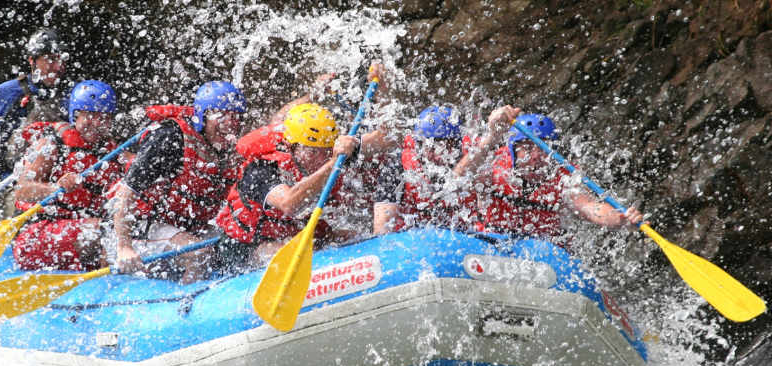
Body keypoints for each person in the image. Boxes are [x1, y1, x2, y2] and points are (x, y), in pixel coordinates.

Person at [213, 101, 389, 276]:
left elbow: (387, 140)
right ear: (292, 146)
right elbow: (289, 204)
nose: (321, 157)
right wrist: (333, 163)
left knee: (353, 236)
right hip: (245, 246)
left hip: (297, 236)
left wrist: (355, 143)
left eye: (327, 150)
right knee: (277, 252)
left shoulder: (335, 154)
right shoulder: (262, 168)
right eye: (313, 151)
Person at [111, 81, 247, 284]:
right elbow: (126, 194)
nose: (229, 124)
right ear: (202, 116)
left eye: (234, 117)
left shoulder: (230, 148)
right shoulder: (169, 139)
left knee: (238, 243)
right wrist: (124, 247)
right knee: (199, 253)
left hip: (188, 226)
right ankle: (187, 299)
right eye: (220, 115)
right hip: (142, 227)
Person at [468, 113, 644, 240]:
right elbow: (460, 177)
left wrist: (620, 218)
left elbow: (591, 208)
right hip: (489, 241)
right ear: (513, 150)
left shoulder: (562, 179)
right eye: (528, 148)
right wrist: (492, 135)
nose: (536, 156)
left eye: (542, 149)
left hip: (541, 251)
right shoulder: (494, 166)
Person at [11, 80, 122, 271]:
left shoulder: (111, 152)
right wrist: (56, 188)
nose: (96, 123)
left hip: (80, 234)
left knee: (121, 229)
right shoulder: (53, 145)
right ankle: (108, 281)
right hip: (35, 237)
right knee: (105, 231)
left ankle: (109, 275)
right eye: (90, 115)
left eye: (103, 118)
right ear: (76, 115)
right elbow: (21, 191)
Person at [372, 105, 519, 234]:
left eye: (447, 144)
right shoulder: (396, 168)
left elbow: (455, 182)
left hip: (464, 241)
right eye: (431, 145)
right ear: (418, 144)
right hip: (411, 242)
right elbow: (382, 231)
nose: (438, 152)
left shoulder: (476, 160)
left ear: (457, 145)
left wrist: (494, 134)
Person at [0, 28, 68, 198]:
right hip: (11, 186)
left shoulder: (74, 95)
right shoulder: (4, 95)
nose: (58, 66)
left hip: (60, 183)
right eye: (50, 59)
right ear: (32, 61)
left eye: (61, 59)